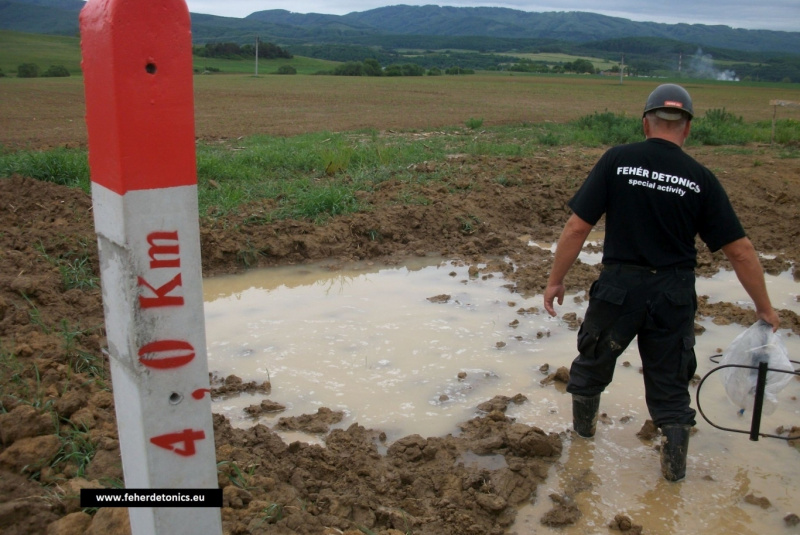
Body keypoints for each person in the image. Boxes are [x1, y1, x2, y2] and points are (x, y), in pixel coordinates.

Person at [542, 83, 781, 482]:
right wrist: (764, 308)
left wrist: (555, 280)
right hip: (673, 293)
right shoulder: (699, 178)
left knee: (590, 369)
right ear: (686, 129)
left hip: (618, 288)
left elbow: (576, 227)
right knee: (671, 390)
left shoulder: (617, 161)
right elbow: (740, 250)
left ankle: (581, 451)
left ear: (645, 124)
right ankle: (673, 481)